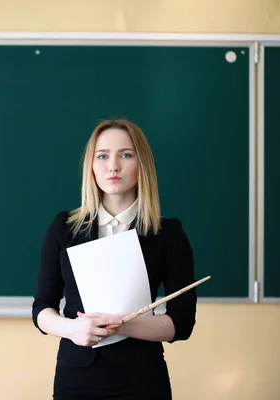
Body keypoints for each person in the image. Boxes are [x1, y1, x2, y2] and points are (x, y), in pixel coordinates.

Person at [32, 119, 197, 399]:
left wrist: (123, 326)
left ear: (141, 163)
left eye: (126, 155)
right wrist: (72, 328)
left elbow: (181, 324)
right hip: (77, 377)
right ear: (92, 166)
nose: (113, 166)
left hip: (142, 378)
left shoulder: (167, 233)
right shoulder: (64, 228)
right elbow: (42, 309)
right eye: (103, 156)